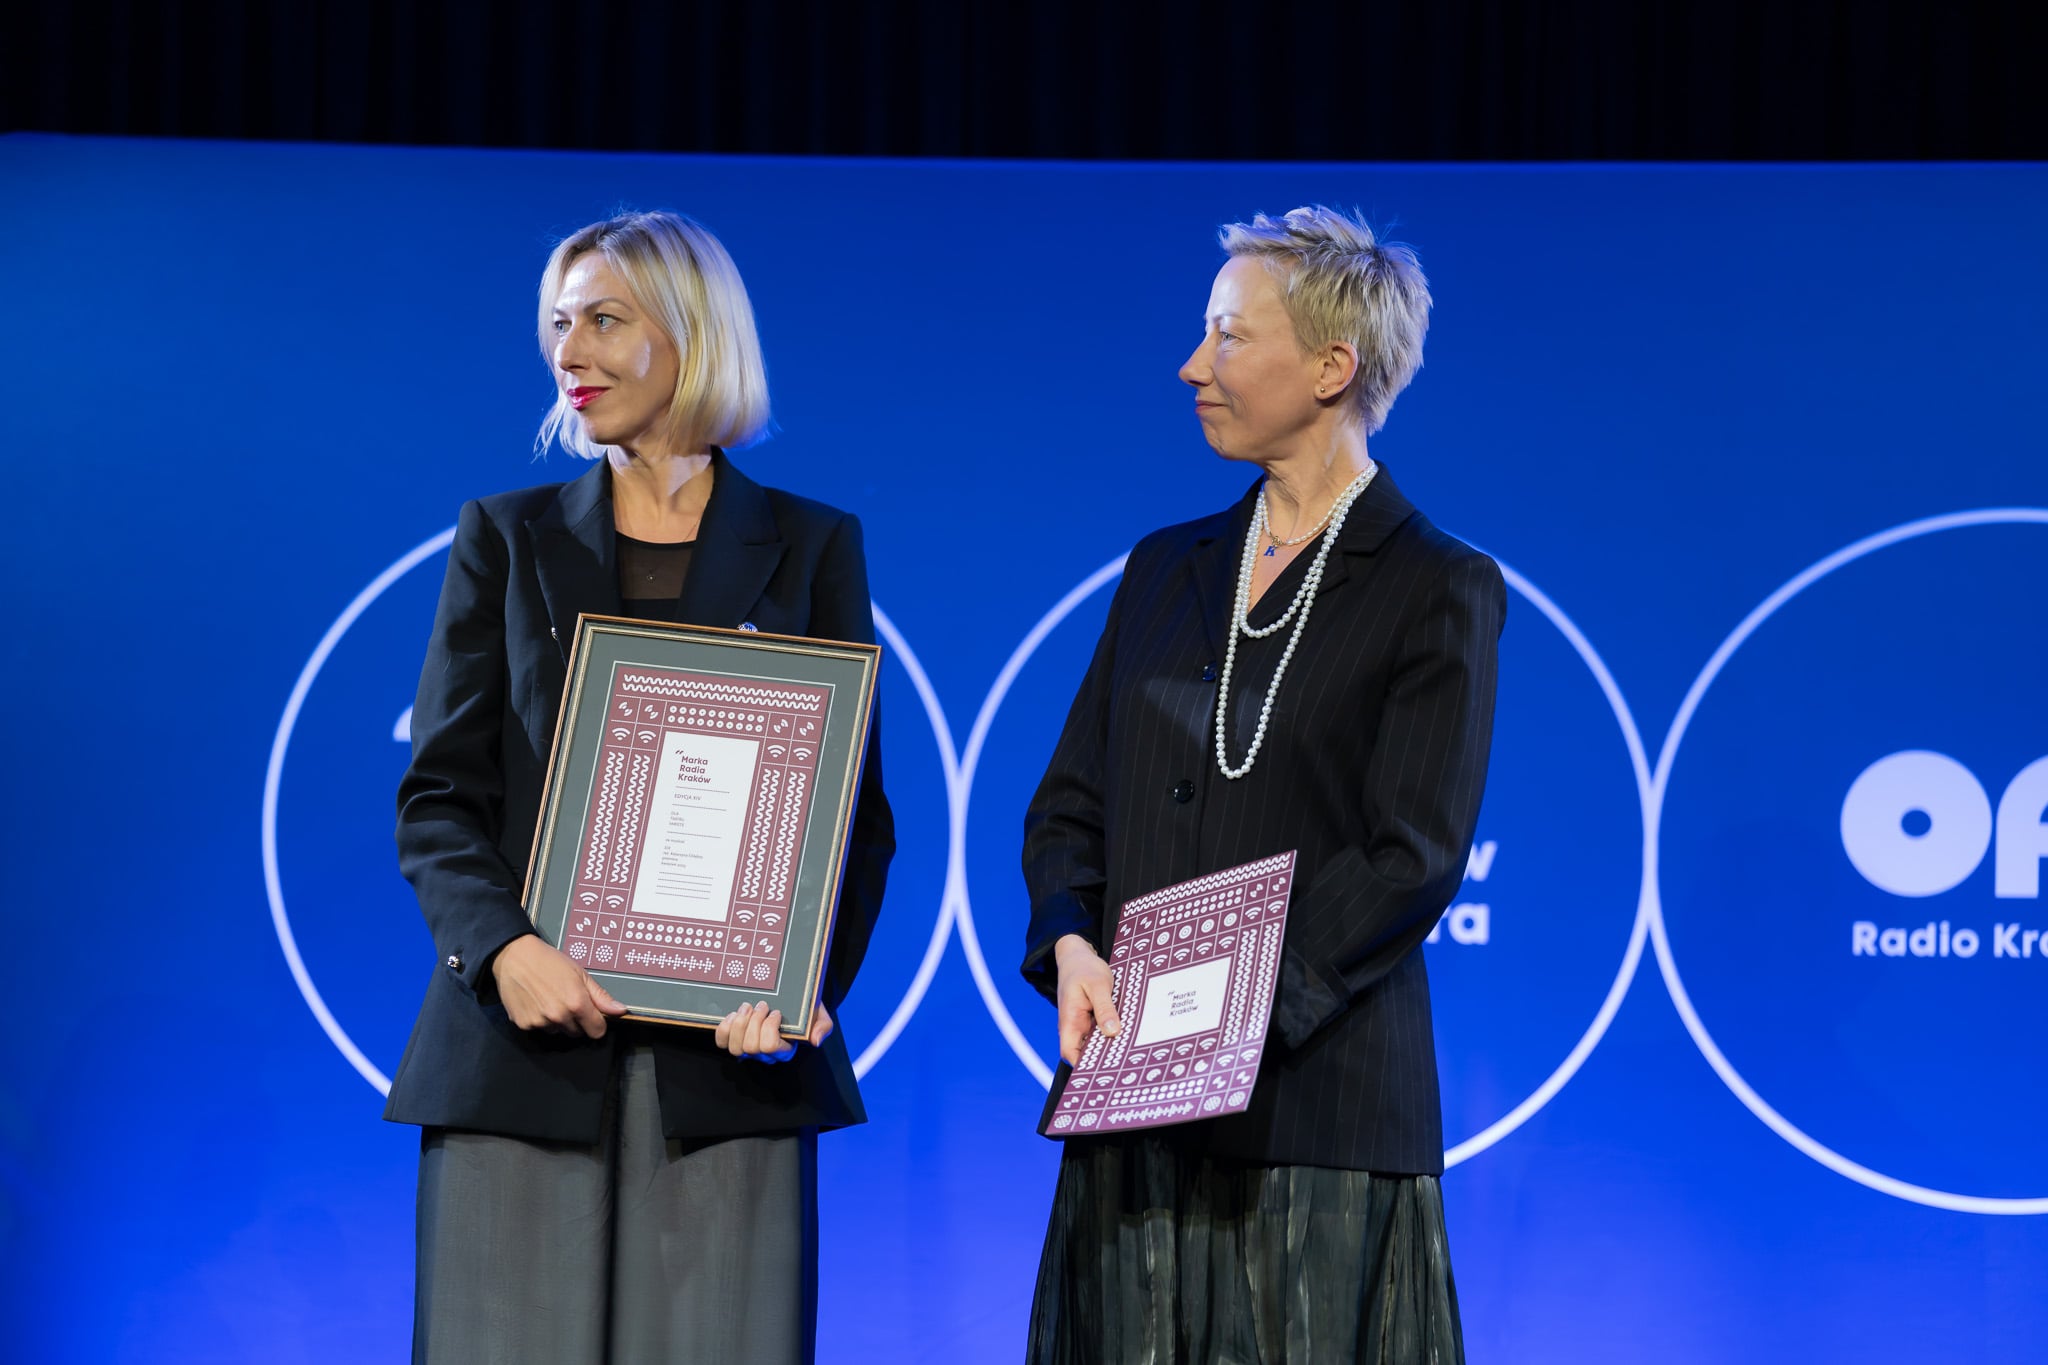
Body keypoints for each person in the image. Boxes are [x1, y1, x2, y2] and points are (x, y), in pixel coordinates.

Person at [384, 210, 893, 1365]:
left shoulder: (813, 545)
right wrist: (503, 950)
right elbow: (439, 799)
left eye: (604, 321)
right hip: (518, 1063)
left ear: (692, 334)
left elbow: (851, 820)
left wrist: (795, 988)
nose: (570, 352)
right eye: (558, 325)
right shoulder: (503, 539)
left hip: (728, 1079)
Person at [1020, 206, 1503, 1364]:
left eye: (1228, 336)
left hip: (1316, 1116)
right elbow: (1069, 805)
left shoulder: (1434, 585)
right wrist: (1071, 943)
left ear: (1331, 368)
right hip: (1133, 1109)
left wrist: (1228, 1022)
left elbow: (1408, 856)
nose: (1193, 366)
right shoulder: (1164, 567)